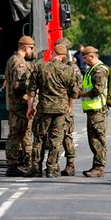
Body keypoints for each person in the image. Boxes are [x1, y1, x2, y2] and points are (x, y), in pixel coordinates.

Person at [31, 44, 81, 177]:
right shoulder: (69, 70)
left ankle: (36, 168)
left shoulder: (41, 67)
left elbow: (31, 89)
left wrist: (30, 107)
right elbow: (74, 92)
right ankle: (51, 169)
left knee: (39, 138)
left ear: (53, 52)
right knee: (56, 140)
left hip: (44, 109)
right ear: (64, 56)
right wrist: (70, 107)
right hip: (61, 110)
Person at [2, 36, 37, 177]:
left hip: (14, 104)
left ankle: (16, 164)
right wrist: (33, 88)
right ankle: (12, 166)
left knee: (19, 135)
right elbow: (18, 85)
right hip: (19, 104)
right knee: (16, 135)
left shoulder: (11, 59)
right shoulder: (19, 62)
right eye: (31, 48)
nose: (32, 51)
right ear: (25, 47)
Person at [79, 46, 110, 177]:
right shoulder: (91, 69)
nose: (84, 61)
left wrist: (82, 94)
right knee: (93, 139)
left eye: (85, 58)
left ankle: (99, 167)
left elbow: (98, 89)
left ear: (92, 56)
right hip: (92, 109)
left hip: (98, 109)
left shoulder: (99, 70)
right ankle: (96, 166)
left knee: (98, 139)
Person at [52, 37, 80, 176]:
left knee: (67, 137)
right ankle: (54, 164)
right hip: (56, 106)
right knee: (54, 137)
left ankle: (70, 164)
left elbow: (76, 89)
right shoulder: (54, 65)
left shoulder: (72, 67)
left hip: (66, 107)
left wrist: (70, 107)